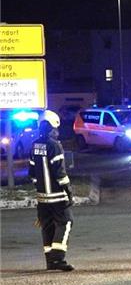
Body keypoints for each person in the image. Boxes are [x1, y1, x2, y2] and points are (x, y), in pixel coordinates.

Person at [28, 110, 74, 271]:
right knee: (66, 222)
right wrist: (68, 191)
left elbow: (32, 173)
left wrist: (40, 188)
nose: (57, 132)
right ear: (51, 127)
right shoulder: (55, 145)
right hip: (57, 196)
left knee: (47, 226)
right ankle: (58, 258)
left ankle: (50, 260)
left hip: (42, 197)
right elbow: (60, 173)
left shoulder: (35, 145)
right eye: (56, 129)